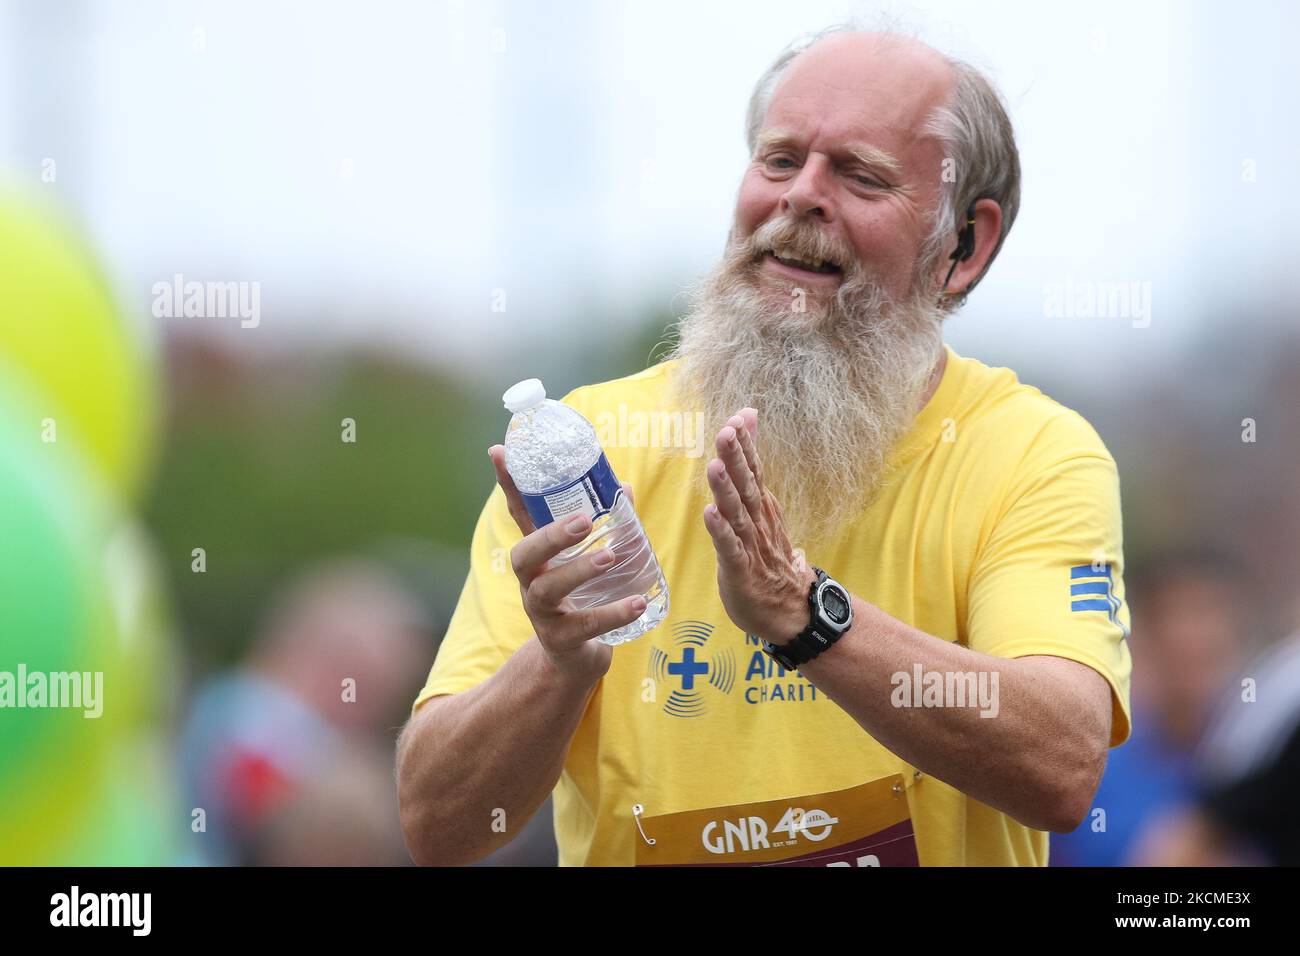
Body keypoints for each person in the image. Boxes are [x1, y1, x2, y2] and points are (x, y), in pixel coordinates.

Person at [398, 24, 1132, 867]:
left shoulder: (1032, 454)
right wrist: (557, 663)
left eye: (861, 176)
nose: (801, 197)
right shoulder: (589, 456)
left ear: (964, 246)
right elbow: (438, 827)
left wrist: (808, 619)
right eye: (779, 160)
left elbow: (1064, 765)